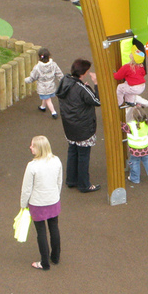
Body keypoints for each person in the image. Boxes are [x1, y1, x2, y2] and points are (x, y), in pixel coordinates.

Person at [56, 58, 101, 193]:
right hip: (83, 127)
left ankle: (71, 180)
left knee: (72, 151)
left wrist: (85, 88)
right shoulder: (81, 88)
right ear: (83, 73)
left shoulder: (65, 81)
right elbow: (97, 101)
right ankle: (84, 184)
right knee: (83, 155)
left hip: (69, 126)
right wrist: (96, 84)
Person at [20, 135, 63, 270]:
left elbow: (27, 188)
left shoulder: (32, 166)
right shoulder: (56, 161)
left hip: (37, 203)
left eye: (32, 145)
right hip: (53, 200)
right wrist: (56, 195)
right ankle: (55, 257)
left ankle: (44, 262)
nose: (30, 147)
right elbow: (59, 181)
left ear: (38, 148)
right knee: (54, 228)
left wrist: (23, 204)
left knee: (41, 232)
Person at [25, 48, 64, 119]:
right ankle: (43, 106)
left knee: (48, 99)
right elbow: (59, 74)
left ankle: (53, 112)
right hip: (51, 86)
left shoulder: (37, 68)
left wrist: (26, 80)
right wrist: (63, 81)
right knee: (46, 97)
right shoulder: (53, 65)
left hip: (43, 87)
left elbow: (33, 77)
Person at [124, 106, 148, 186]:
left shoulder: (131, 126)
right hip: (145, 148)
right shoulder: (146, 123)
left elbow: (122, 126)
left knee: (134, 163)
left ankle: (135, 179)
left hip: (135, 150)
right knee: (147, 160)